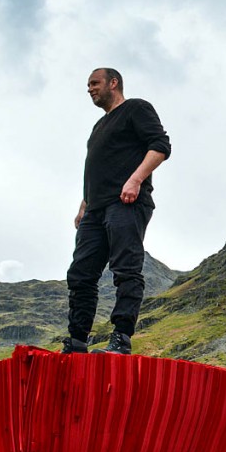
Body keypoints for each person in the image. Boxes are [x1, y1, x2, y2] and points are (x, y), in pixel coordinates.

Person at [62, 68, 171, 355]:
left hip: (126, 202)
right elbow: (95, 169)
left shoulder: (136, 108)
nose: (89, 89)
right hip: (95, 210)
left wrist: (135, 180)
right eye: (87, 85)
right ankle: (76, 342)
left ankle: (121, 338)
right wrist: (84, 204)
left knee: (125, 268)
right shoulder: (98, 128)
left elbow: (160, 146)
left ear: (113, 83)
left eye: (94, 83)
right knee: (81, 274)